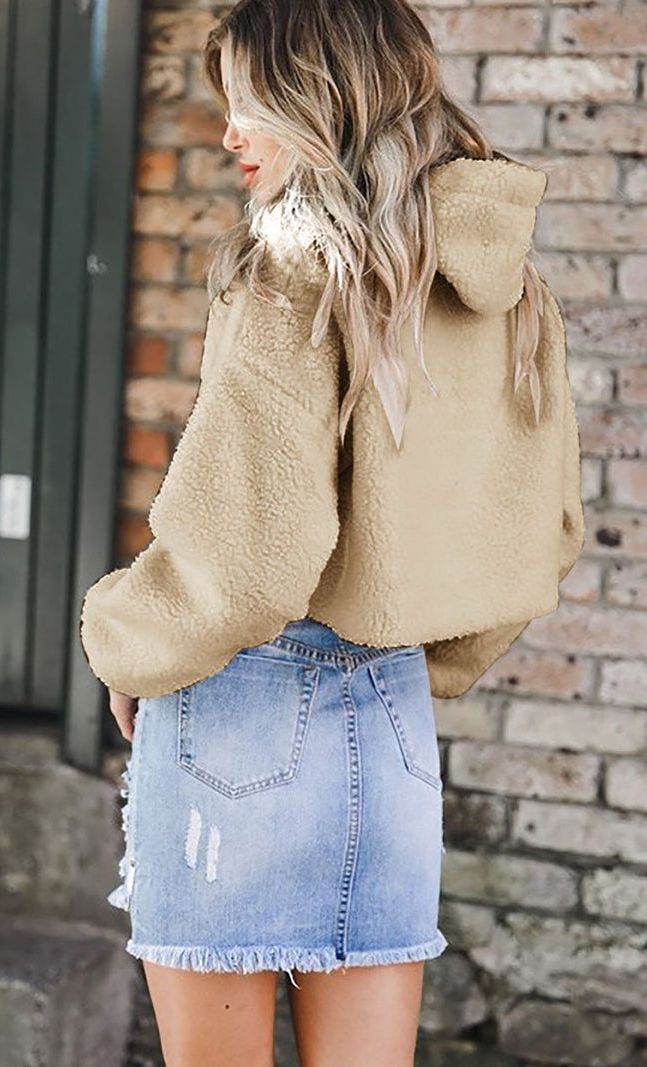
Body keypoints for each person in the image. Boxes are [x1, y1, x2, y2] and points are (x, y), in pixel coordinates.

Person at [79, 0, 585, 1062]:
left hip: (238, 719)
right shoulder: (508, 289)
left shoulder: (292, 268)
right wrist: (424, 652)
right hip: (391, 723)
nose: (228, 135)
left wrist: (125, 641)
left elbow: (241, 559)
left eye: (253, 106)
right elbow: (541, 529)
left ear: (323, 103)